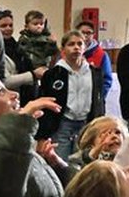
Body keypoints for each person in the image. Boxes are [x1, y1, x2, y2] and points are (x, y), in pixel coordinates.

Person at [38, 31, 105, 160]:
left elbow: (100, 101)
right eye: (71, 44)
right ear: (63, 49)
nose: (76, 47)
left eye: (80, 44)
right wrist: (42, 136)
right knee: (60, 163)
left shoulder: (95, 72)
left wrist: (101, 125)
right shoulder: (53, 74)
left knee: (84, 163)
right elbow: (44, 106)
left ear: (85, 48)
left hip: (86, 124)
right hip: (62, 124)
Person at [0, 10, 46, 103]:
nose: (8, 28)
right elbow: (4, 81)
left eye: (10, 25)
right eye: (3, 26)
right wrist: (33, 75)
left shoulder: (18, 46)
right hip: (6, 100)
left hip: (26, 97)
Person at [76, 21, 113, 100]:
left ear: (93, 35)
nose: (85, 35)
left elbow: (107, 80)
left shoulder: (102, 55)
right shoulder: (67, 53)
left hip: (94, 100)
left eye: (89, 33)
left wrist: (98, 99)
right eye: (82, 32)